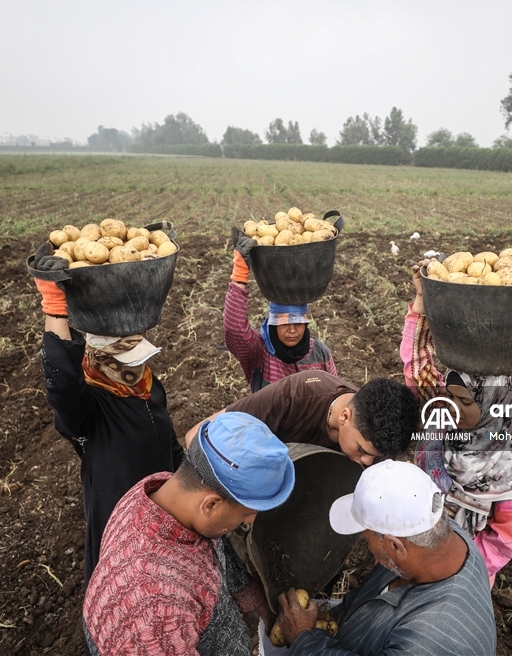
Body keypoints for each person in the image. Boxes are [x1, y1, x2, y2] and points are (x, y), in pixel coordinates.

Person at [83, 412, 296, 655]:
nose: (249, 521)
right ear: (211, 505)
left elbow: (217, 553)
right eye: (247, 513)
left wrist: (262, 609)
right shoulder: (153, 611)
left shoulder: (166, 496)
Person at [33, 243, 183, 586]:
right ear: (100, 361)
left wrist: (194, 479)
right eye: (127, 363)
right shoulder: (89, 410)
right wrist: (55, 309)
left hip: (164, 516)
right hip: (121, 530)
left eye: (140, 359)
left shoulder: (148, 389)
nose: (137, 368)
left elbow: (169, 446)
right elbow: (63, 385)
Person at [402, 260, 512, 585]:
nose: (452, 407)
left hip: (462, 578)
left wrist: (451, 565)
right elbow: (417, 364)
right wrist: (421, 301)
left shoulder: (509, 472)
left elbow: (502, 543)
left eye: (464, 401)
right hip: (413, 552)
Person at [276, 460, 497, 655]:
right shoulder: (438, 537)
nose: (365, 544)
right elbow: (370, 592)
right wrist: (335, 614)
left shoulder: (432, 640)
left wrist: (303, 639)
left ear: (395, 546)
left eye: (366, 538)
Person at [186, 370, 421, 466]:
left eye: (374, 456)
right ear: (345, 416)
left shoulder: (378, 434)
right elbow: (197, 435)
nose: (367, 462)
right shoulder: (295, 396)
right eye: (361, 450)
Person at [224, 232, 338, 392]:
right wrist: (239, 275)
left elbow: (335, 393)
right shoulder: (259, 353)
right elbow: (235, 331)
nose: (292, 330)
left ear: (306, 324)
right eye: (284, 323)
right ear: (273, 324)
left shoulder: (320, 352)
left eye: (298, 323)